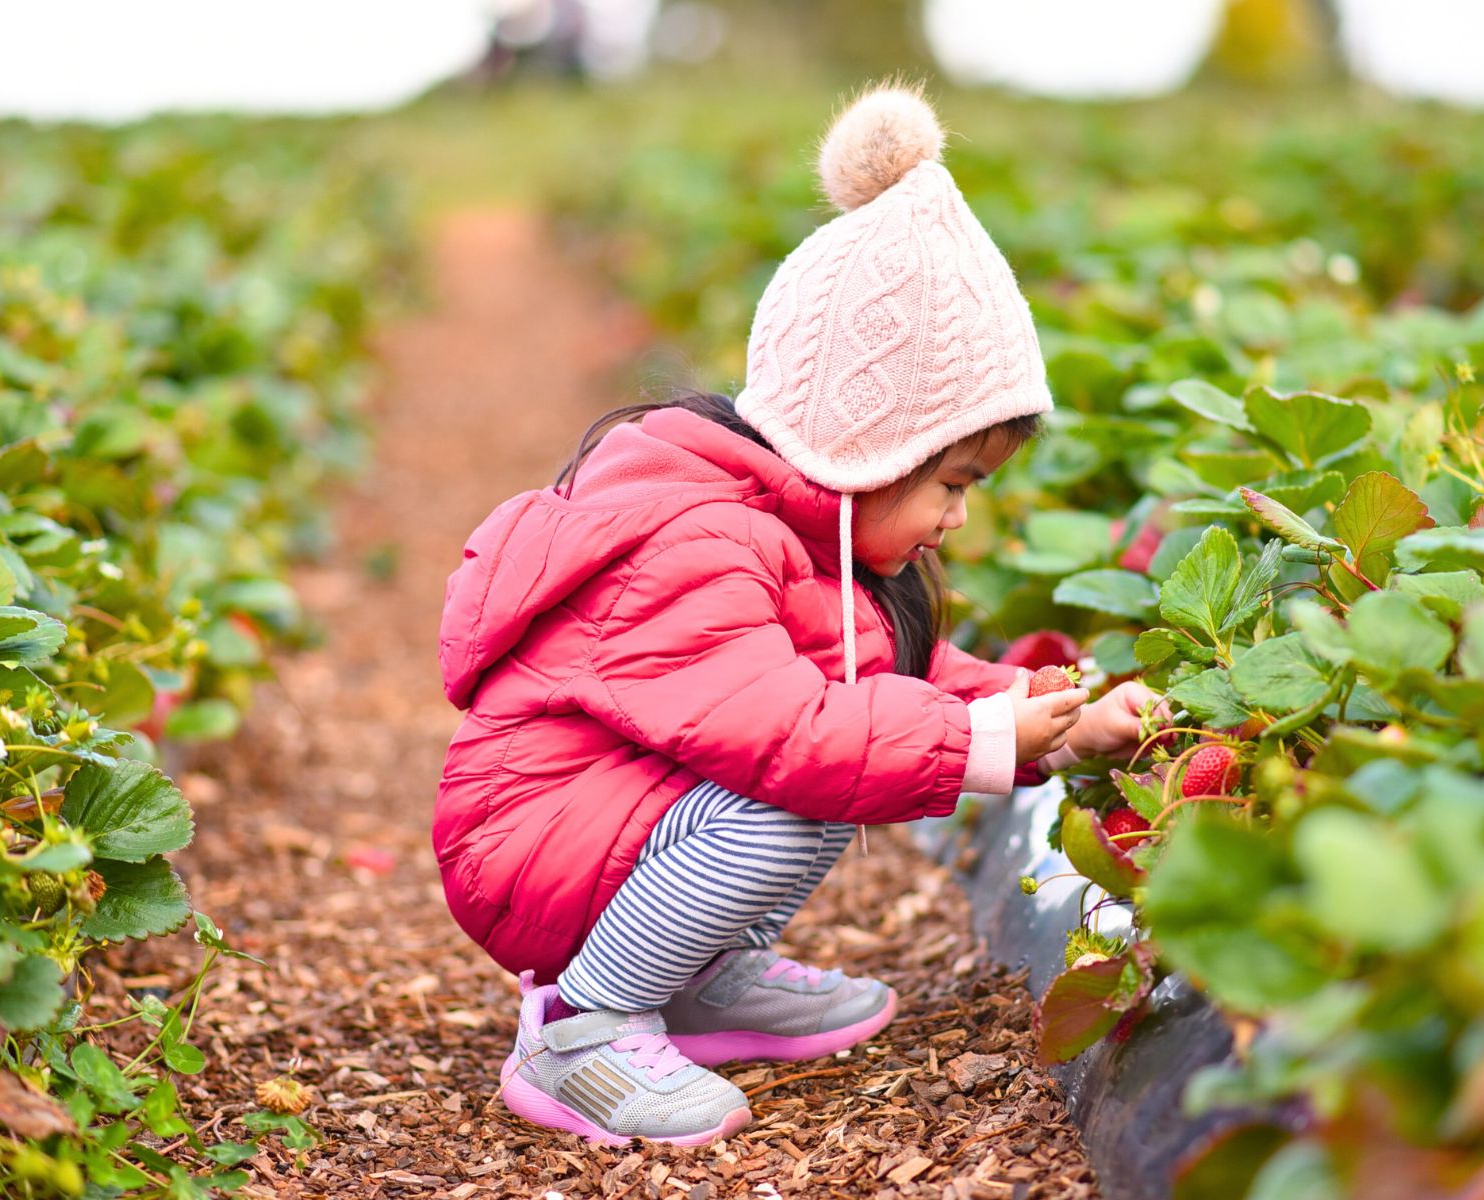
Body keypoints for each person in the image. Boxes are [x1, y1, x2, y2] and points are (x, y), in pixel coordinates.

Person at [434, 84, 1166, 1146]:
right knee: (805, 782)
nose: (958, 519)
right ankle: (580, 1026)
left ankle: (696, 978)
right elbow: (786, 732)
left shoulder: (793, 530)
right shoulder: (697, 539)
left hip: (607, 829)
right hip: (534, 844)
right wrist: (982, 742)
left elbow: (885, 684)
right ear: (860, 445)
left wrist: (1027, 706)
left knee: (839, 747)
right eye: (952, 482)